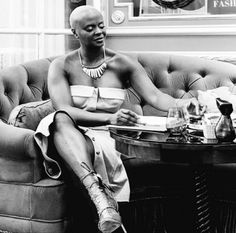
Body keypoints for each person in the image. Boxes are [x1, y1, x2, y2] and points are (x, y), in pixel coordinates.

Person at [34, 5, 203, 233]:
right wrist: (111, 116)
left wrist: (183, 103)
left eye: (101, 26)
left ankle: (105, 209)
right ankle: (101, 199)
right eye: (90, 28)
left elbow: (155, 96)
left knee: (65, 130)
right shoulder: (61, 66)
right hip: (70, 131)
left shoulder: (123, 63)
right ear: (75, 33)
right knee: (60, 119)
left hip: (109, 136)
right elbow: (65, 109)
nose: (99, 32)